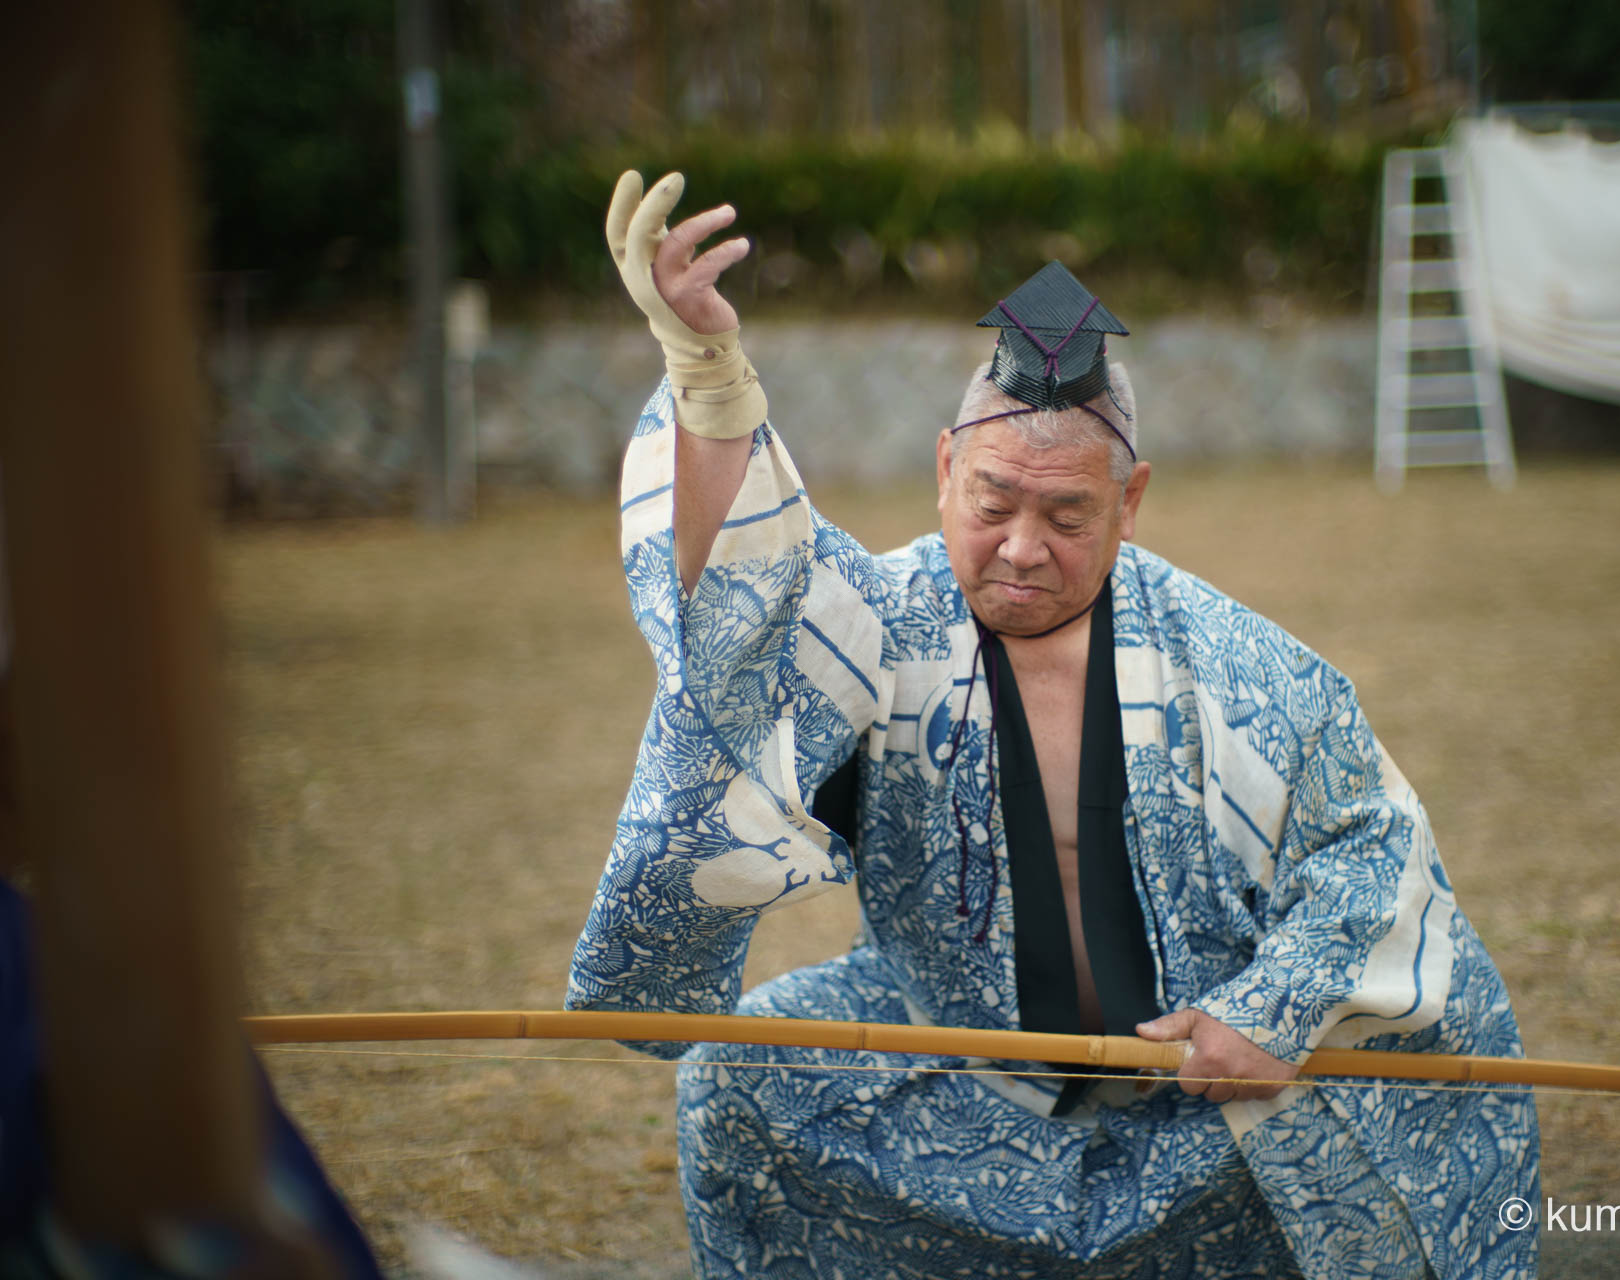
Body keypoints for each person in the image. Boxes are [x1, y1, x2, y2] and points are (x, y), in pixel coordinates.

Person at [567, 170, 1541, 1280]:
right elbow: (744, 604)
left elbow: (1373, 848)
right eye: (992, 503)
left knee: (1381, 1142)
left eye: (1066, 513)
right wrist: (708, 377)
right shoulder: (882, 625)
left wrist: (1273, 1012)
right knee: (746, 1083)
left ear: (1129, 503)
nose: (1022, 545)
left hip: (1204, 1098)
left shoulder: (1243, 668)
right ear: (945, 471)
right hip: (953, 1063)